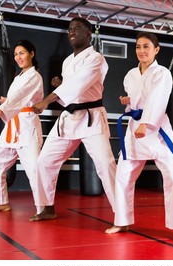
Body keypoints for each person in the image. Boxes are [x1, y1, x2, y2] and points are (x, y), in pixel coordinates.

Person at [29, 17, 116, 221]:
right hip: (69, 118)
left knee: (105, 164)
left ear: (89, 34)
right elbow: (70, 86)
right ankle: (46, 207)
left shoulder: (97, 58)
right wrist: (60, 83)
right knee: (44, 161)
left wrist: (48, 99)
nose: (72, 32)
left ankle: (121, 214)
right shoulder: (68, 61)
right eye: (69, 29)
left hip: (91, 117)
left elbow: (79, 84)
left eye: (77, 29)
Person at [105, 32, 173, 242]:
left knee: (171, 176)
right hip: (135, 130)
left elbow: (157, 100)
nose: (141, 51)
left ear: (156, 50)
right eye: (138, 47)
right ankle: (122, 221)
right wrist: (128, 102)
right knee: (123, 176)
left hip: (156, 129)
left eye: (146, 47)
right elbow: (135, 101)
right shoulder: (130, 74)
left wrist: (145, 123)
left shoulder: (162, 73)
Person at [0, 40, 44, 215]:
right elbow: (17, 98)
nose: (18, 57)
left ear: (31, 54)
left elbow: (20, 96)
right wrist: (7, 102)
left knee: (34, 170)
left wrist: (1, 108)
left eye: (22, 53)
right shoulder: (18, 77)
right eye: (16, 54)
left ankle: (44, 208)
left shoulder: (35, 76)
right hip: (13, 127)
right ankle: (0, 201)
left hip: (27, 128)